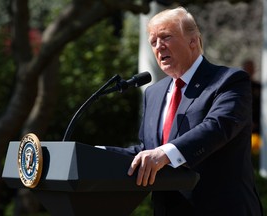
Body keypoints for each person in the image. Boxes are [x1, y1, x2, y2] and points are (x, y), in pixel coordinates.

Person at [102, 6, 263, 216]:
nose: (158, 46)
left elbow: (217, 127)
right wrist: (98, 154)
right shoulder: (154, 93)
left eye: (166, 37)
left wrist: (164, 153)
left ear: (193, 41)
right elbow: (148, 149)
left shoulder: (229, 81)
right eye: (153, 42)